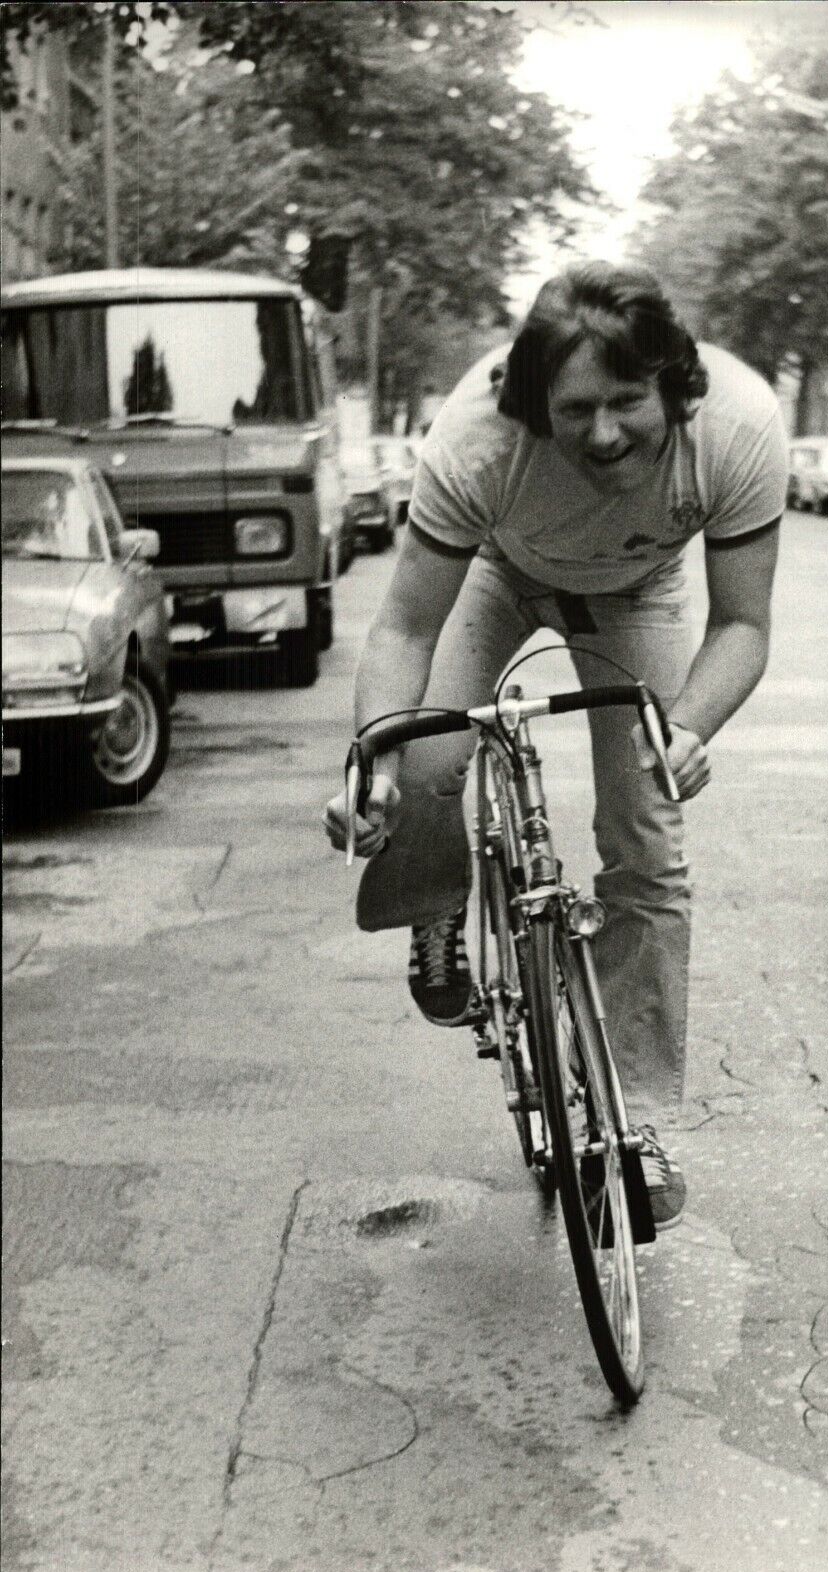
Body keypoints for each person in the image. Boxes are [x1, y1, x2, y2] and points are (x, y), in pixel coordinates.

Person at [324, 261, 787, 1228]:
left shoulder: (739, 430)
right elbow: (406, 628)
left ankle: (637, 1122)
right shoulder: (476, 442)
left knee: (648, 838)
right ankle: (439, 897)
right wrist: (371, 762)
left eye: (627, 403)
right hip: (496, 573)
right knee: (427, 762)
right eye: (576, 410)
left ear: (674, 383)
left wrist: (689, 725)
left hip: (638, 590)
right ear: (535, 404)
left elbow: (742, 624)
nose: (604, 432)